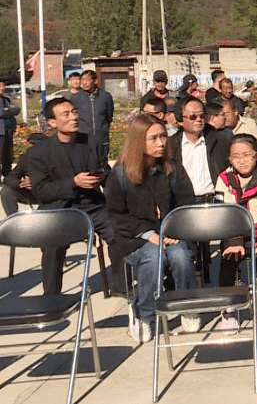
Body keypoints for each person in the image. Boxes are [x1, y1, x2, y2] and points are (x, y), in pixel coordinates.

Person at [106, 114, 197, 343]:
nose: (161, 143)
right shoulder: (120, 175)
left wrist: (174, 230)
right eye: (153, 138)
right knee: (154, 260)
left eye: (163, 137)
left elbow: (186, 203)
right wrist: (149, 234)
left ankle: (187, 306)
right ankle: (144, 313)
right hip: (136, 237)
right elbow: (117, 215)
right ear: (139, 142)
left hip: (172, 233)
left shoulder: (172, 169)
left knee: (181, 258)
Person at [28, 98, 122, 296]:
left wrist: (102, 177)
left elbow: (106, 172)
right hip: (59, 210)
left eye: (74, 112)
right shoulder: (39, 152)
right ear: (52, 122)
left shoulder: (92, 142)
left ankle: (123, 287)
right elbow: (40, 190)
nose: (74, 117)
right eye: (66, 114)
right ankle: (52, 298)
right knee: (52, 245)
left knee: (119, 232)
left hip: (93, 206)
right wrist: (73, 182)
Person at [215, 134, 257, 340]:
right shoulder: (224, 180)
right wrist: (234, 240)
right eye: (236, 156)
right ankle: (228, 309)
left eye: (246, 155)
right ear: (229, 159)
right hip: (234, 233)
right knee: (228, 260)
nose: (242, 160)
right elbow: (224, 213)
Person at [170, 97, 230, 204]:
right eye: (193, 117)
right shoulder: (171, 146)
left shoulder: (219, 142)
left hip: (214, 202)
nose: (198, 120)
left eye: (202, 116)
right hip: (183, 205)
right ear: (180, 121)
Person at [69, 69, 114, 158]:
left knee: (102, 165)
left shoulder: (105, 96)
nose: (84, 83)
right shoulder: (75, 98)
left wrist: (103, 128)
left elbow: (109, 115)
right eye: (82, 80)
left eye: (87, 80)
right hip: (83, 137)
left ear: (95, 81)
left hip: (101, 136)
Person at [2, 132, 45, 216]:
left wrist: (37, 183)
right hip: (30, 193)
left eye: (35, 144)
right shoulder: (26, 158)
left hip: (49, 193)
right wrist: (21, 183)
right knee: (6, 191)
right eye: (30, 144)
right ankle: (13, 219)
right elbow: (9, 178)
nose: (32, 147)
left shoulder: (53, 158)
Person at [0, 80, 21, 177]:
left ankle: (7, 175)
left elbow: (17, 109)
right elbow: (1, 113)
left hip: (9, 129)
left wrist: (9, 110)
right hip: (1, 131)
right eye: (0, 86)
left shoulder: (6, 99)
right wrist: (9, 111)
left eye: (3, 85)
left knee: (8, 153)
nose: (2, 88)